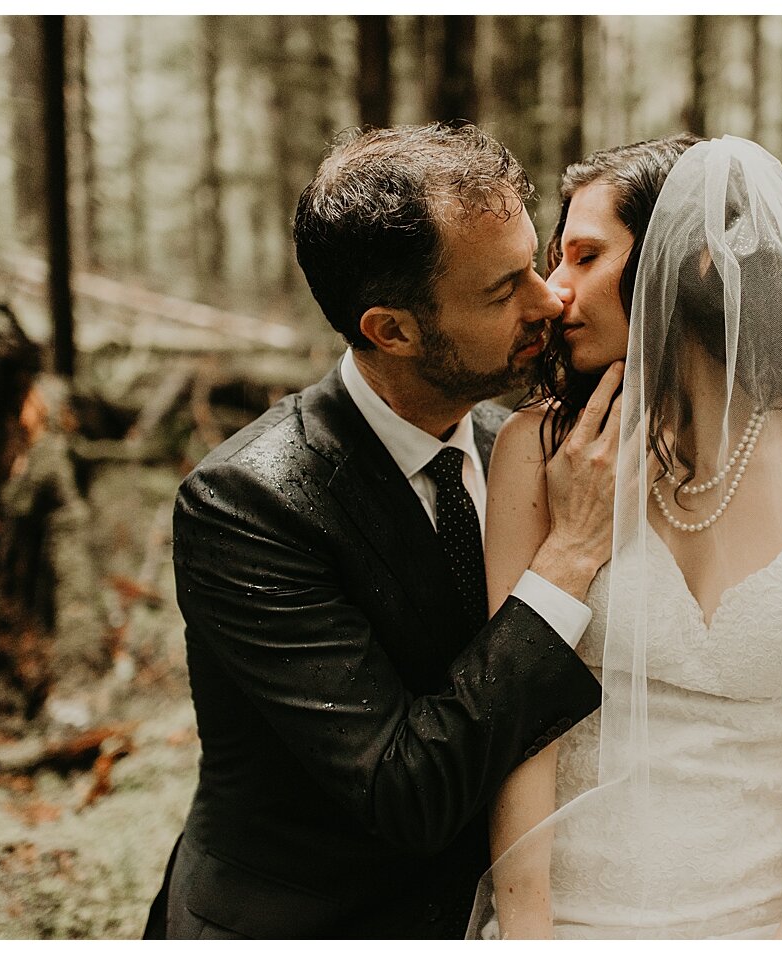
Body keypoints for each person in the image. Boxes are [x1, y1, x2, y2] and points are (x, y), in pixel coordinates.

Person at [467, 134, 782, 938]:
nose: (554, 292)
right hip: (578, 911)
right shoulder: (536, 451)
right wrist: (527, 923)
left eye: (585, 257)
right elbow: (518, 720)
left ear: (689, 262)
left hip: (781, 907)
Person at [144, 123, 623, 939]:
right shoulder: (244, 505)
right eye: (504, 289)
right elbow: (406, 788)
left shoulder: (515, 453)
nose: (549, 299)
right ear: (391, 330)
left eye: (536, 261)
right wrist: (569, 556)